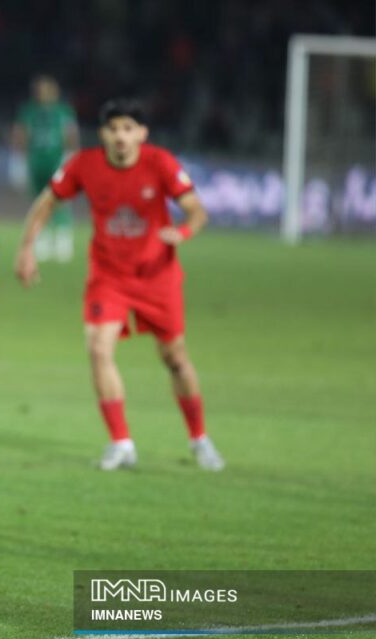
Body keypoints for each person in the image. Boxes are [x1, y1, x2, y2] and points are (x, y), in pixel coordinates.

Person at [14, 98, 225, 472]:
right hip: (108, 276)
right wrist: (27, 248)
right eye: (113, 129)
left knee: (175, 358)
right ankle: (121, 443)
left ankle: (199, 438)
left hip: (157, 277)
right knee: (98, 348)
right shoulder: (85, 164)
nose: (121, 137)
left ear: (142, 133)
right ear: (103, 134)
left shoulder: (160, 163)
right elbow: (46, 202)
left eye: (128, 129)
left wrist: (182, 232)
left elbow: (197, 210)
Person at [11, 75, 79, 263]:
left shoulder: (63, 111)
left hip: (57, 161)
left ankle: (63, 238)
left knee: (60, 198)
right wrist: (18, 160)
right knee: (38, 201)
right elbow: (21, 135)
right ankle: (42, 237)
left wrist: (70, 156)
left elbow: (71, 134)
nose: (43, 94)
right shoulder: (29, 111)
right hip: (36, 162)